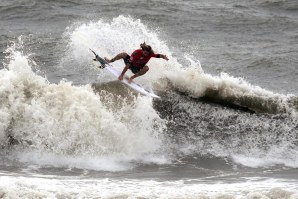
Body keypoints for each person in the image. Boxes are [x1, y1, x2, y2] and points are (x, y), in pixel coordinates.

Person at [104, 42, 169, 83]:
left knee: (146, 68)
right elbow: (128, 65)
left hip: (137, 69)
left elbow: (158, 55)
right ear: (142, 50)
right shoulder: (136, 53)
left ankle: (132, 78)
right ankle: (110, 61)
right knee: (123, 54)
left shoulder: (150, 54)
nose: (146, 54)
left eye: (147, 53)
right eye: (145, 52)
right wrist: (121, 75)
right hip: (130, 64)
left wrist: (164, 57)